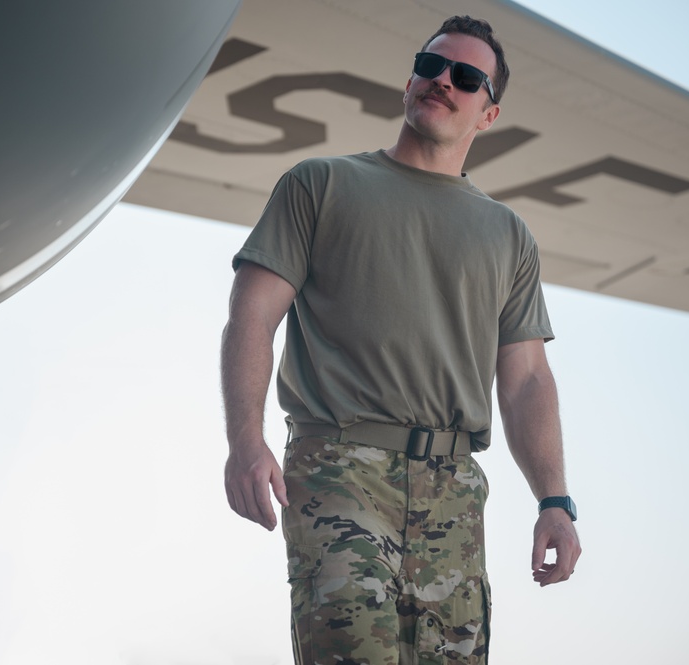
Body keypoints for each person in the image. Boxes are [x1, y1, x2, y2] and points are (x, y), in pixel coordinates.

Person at [221, 15, 581, 664]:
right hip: (339, 465)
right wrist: (245, 440)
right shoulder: (320, 185)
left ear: (487, 113)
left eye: (466, 78)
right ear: (409, 79)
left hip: (453, 490)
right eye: (431, 65)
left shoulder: (508, 235)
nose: (442, 80)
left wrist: (553, 499)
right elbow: (251, 316)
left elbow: (526, 377)